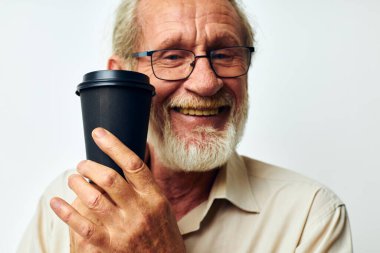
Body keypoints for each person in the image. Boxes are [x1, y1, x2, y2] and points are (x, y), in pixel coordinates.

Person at [18, 0, 353, 252]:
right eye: (172, 56)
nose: (206, 83)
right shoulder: (68, 201)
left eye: (224, 54)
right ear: (122, 77)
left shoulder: (311, 215)